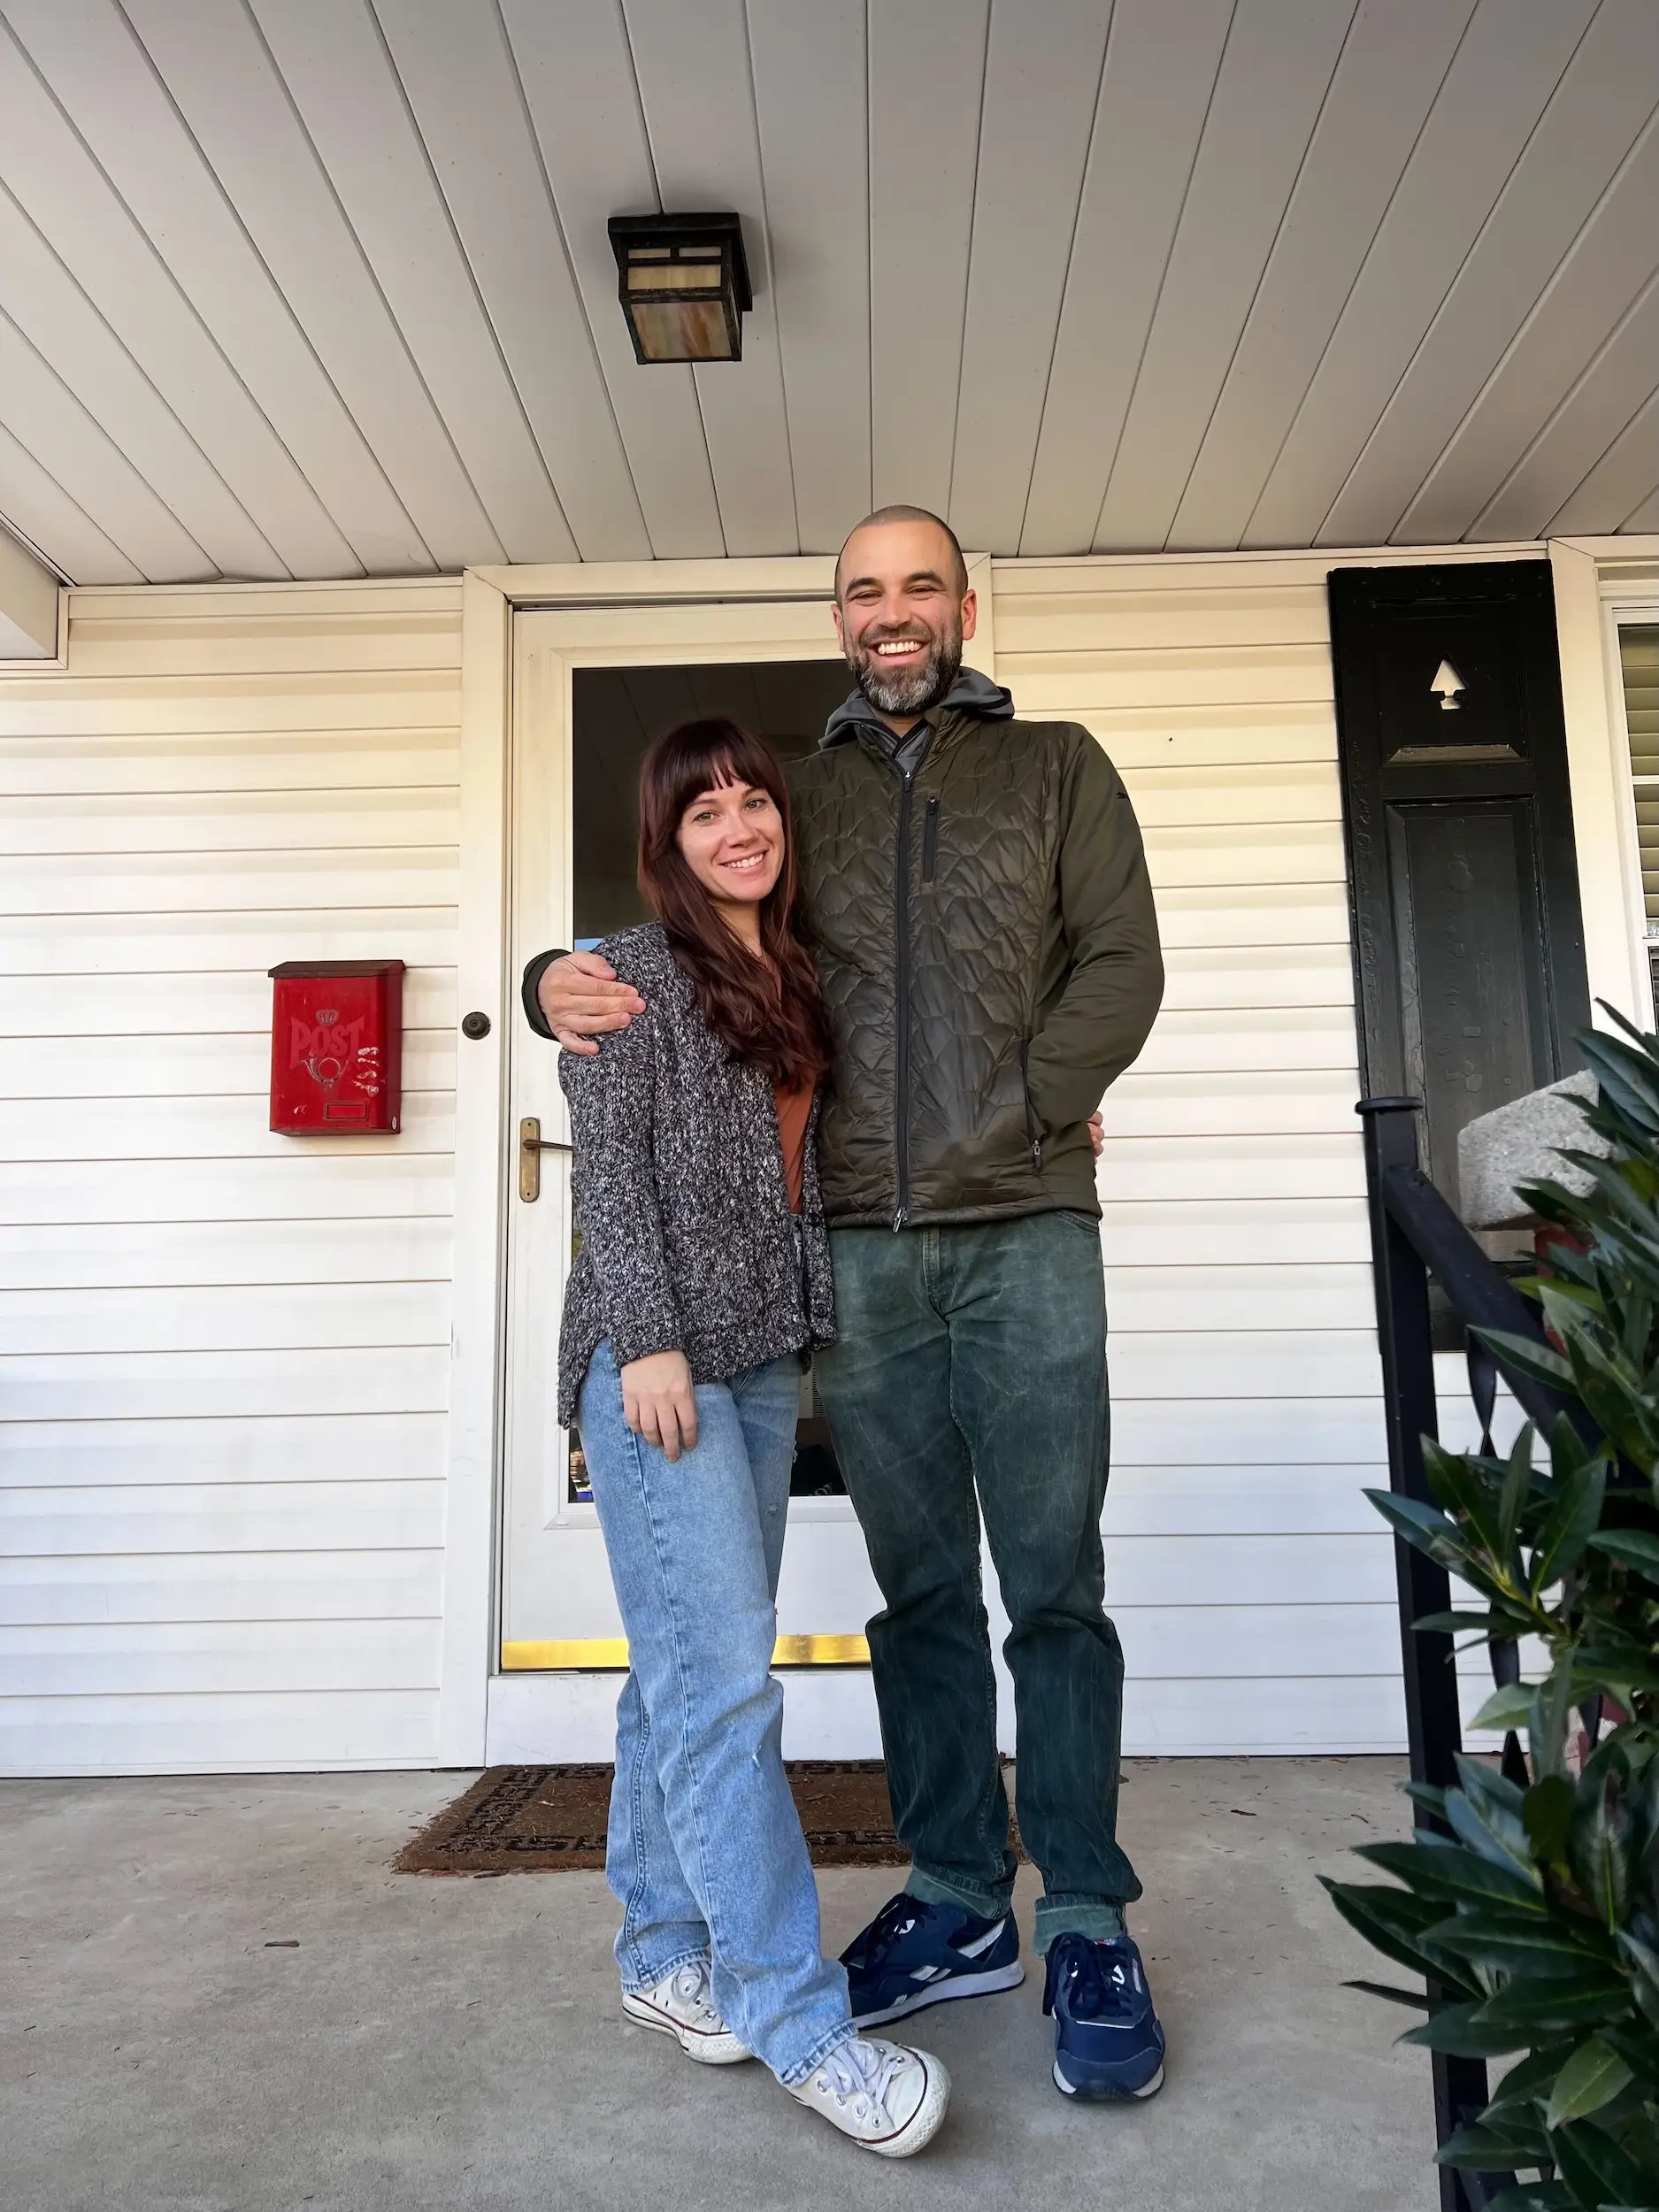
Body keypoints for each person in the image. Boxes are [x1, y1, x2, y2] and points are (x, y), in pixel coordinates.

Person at [527, 507, 1168, 2104]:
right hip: (857, 1263)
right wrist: (553, 973)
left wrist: (1030, 1105)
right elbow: (688, 931)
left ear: (962, 603)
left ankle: (1082, 1908)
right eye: (864, 591)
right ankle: (958, 1897)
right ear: (839, 619)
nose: (894, 613)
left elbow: (1121, 966)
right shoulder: (793, 798)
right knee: (919, 1594)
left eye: (920, 585)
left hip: (1025, 1230)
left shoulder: (1059, 766)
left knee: (1055, 1583)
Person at [557, 714, 950, 2158]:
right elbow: (608, 1173)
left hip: (766, 1361)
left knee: (682, 1673)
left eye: (752, 802)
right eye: (701, 810)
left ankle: (660, 1951)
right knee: (727, 1689)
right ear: (665, 844)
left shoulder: (788, 975)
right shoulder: (622, 974)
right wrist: (645, 1340)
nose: (736, 826)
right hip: (658, 1364)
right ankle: (798, 2019)